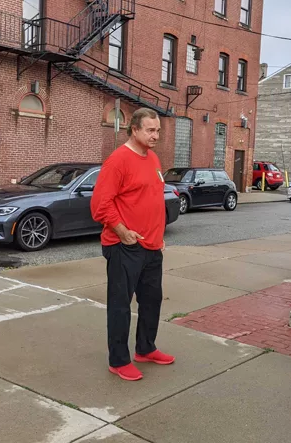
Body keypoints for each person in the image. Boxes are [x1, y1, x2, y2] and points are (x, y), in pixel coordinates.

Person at [91, 108, 174, 381]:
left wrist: (159, 237)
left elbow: (152, 200)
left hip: (152, 247)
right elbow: (100, 204)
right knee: (120, 305)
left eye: (158, 130)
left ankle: (145, 348)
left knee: (152, 301)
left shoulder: (153, 159)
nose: (155, 135)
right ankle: (118, 360)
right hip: (124, 245)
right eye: (150, 130)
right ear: (134, 129)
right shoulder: (118, 161)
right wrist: (122, 230)